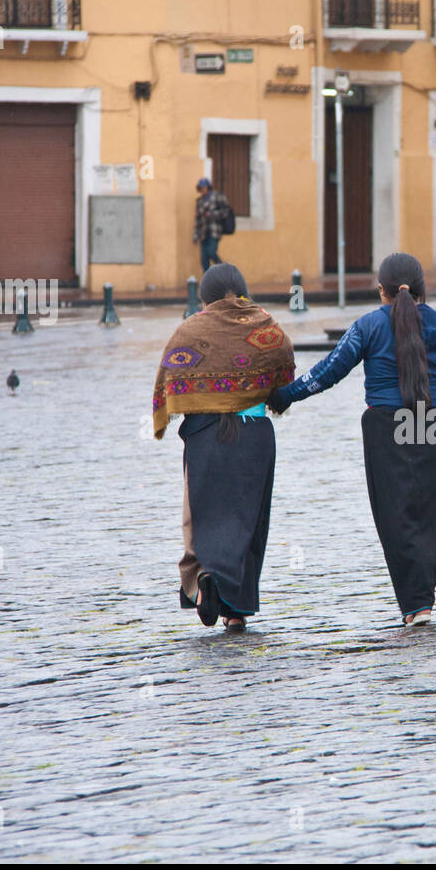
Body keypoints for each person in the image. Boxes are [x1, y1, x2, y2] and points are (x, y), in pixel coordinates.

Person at [268, 252, 436, 627]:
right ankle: (427, 595)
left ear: (381, 292)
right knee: (430, 516)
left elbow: (328, 372)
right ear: (423, 290)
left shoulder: (367, 327)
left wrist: (283, 396)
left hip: (386, 431)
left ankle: (415, 605)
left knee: (396, 520)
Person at [152, 263, 295, 631]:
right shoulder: (267, 326)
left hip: (205, 434)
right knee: (249, 521)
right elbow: (283, 375)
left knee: (205, 515)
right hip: (255, 434)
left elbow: (169, 376)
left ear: (205, 298)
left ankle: (205, 579)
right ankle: (237, 609)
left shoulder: (190, 329)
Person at [192, 177, 234, 272]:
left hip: (214, 231)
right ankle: (207, 282)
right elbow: (197, 220)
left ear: (208, 187)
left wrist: (212, 214)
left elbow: (226, 211)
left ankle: (224, 270)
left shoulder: (217, 196)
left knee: (211, 252)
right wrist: (195, 236)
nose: (202, 190)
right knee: (204, 259)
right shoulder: (199, 201)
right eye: (200, 188)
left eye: (204, 187)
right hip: (203, 233)